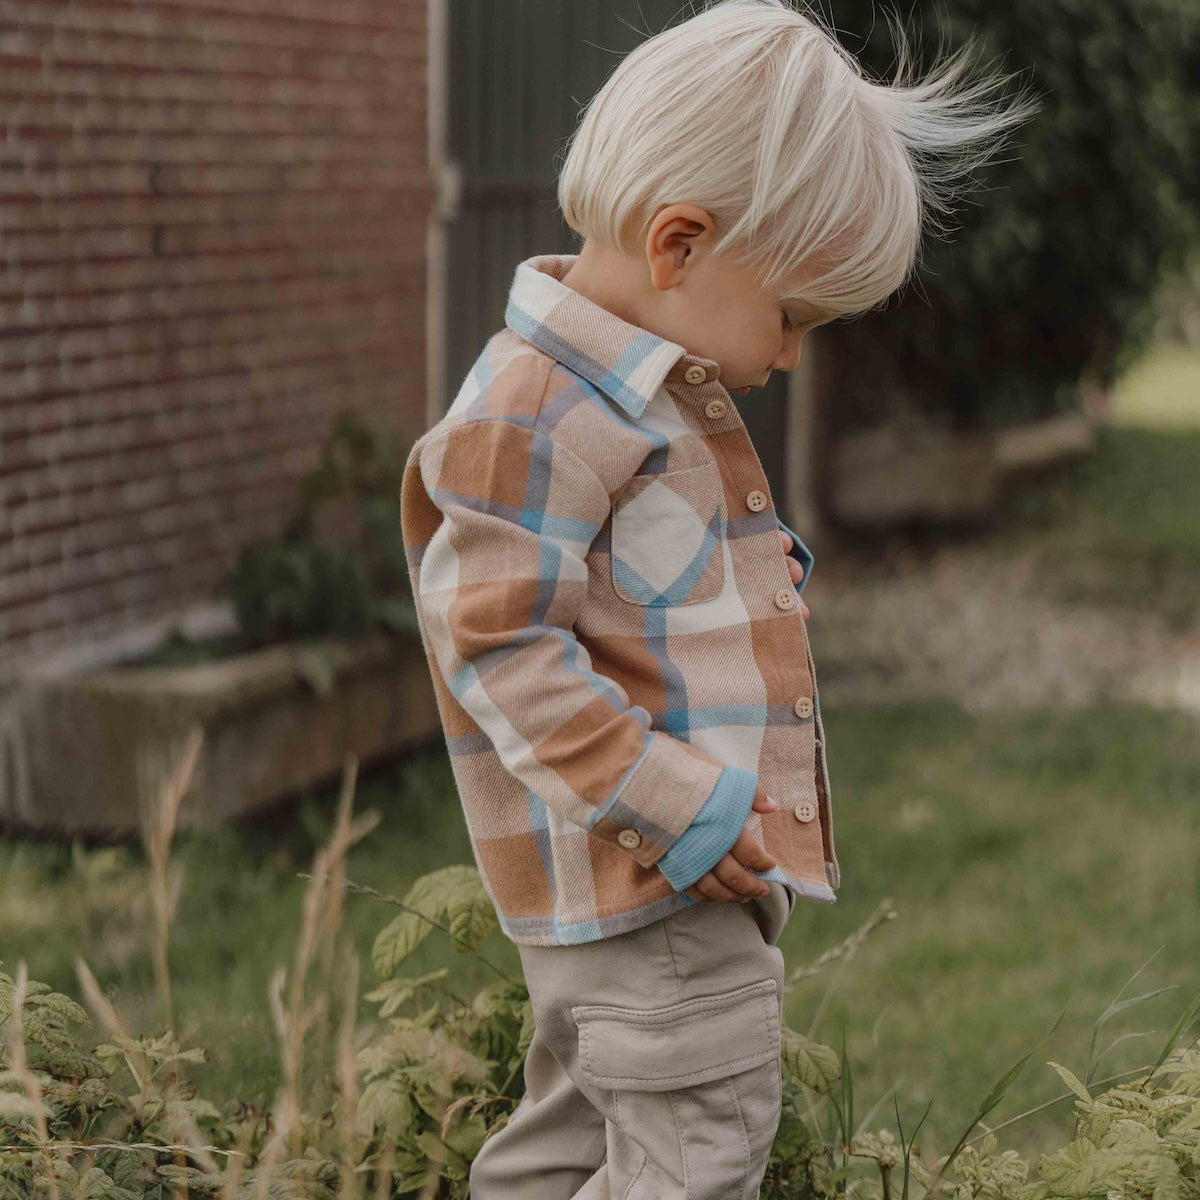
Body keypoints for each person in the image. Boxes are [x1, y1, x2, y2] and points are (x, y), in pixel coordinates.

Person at [399, 1, 1038, 1194]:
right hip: (654, 890)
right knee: (698, 1157)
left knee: (569, 1155)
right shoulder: (542, 413)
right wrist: (677, 809)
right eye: (792, 316)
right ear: (680, 245)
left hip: (647, 899)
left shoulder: (624, 399)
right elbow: (494, 642)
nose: (788, 355)